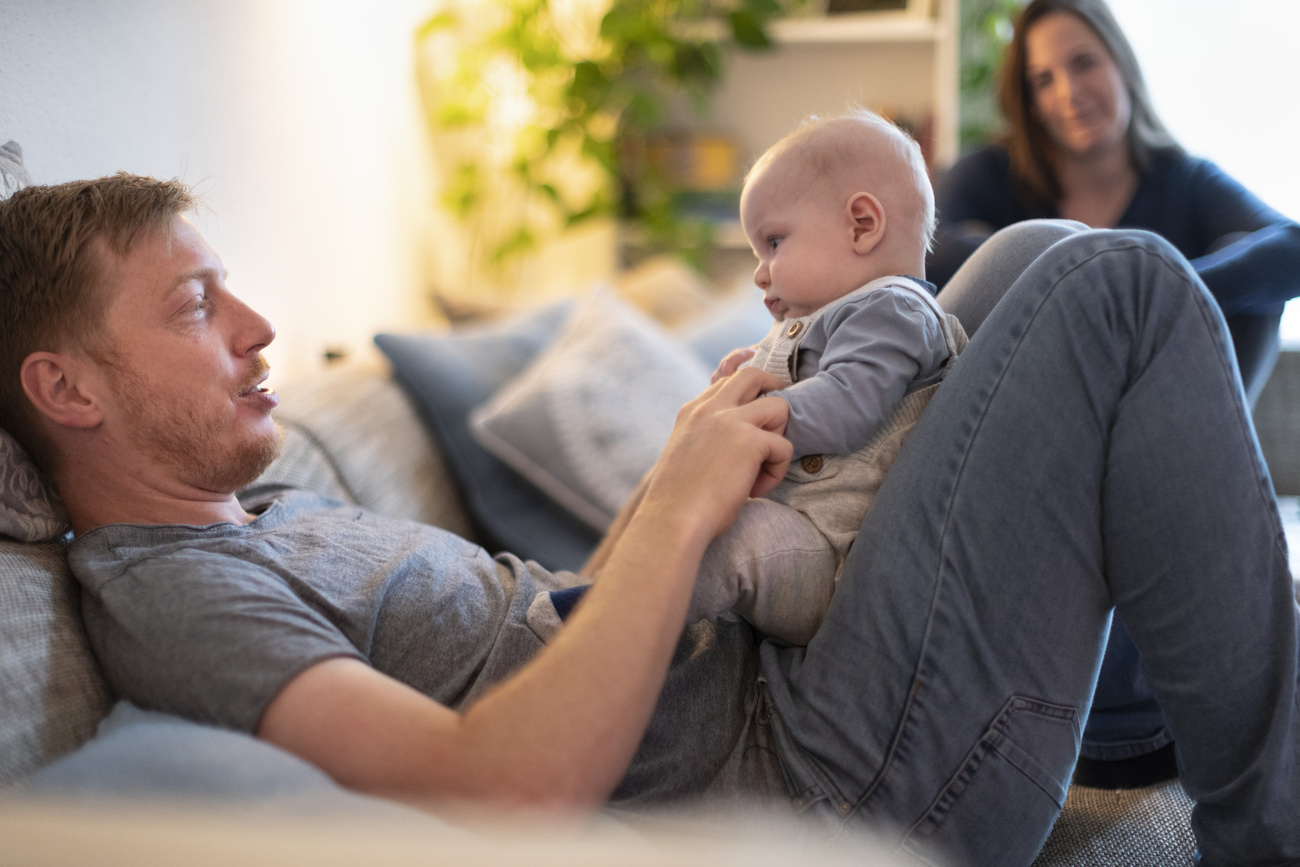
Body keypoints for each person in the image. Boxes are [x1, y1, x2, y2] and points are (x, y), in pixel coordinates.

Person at [1, 174, 1297, 867]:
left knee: (1026, 253)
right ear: (64, 389)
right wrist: (678, 511)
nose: (255, 326)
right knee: (1117, 281)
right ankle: (1271, 827)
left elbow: (553, 628)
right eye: (189, 307)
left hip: (778, 670)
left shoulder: (267, 508)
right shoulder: (172, 590)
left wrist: (684, 471)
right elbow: (501, 788)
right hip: (829, 776)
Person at [926, 0, 1300, 789]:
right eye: (1042, 80)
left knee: (1247, 297)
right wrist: (1084, 287)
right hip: (1039, 459)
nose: (1068, 92)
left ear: (1121, 63)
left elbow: (1289, 248)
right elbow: (927, 244)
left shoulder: (1184, 180)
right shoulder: (999, 175)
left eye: (1083, 62)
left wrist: (1149, 293)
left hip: (1169, 456)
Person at [661, 108, 967, 644]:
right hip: (797, 533)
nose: (759, 271)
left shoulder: (894, 312)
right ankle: (630, 610)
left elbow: (849, 402)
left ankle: (617, 628)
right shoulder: (820, 314)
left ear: (862, 225)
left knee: (729, 542)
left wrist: (765, 413)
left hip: (833, 559)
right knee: (689, 515)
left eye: (774, 243)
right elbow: (785, 364)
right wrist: (744, 370)